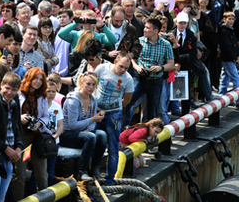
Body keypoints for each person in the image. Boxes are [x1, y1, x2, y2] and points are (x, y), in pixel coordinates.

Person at [122, 18, 175, 128]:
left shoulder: (166, 45)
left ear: (155, 31)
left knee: (152, 111)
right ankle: (124, 127)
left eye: (147, 28)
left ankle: (149, 136)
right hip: (139, 78)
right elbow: (131, 58)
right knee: (127, 104)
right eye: (145, 27)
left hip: (155, 81)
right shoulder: (139, 41)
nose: (144, 30)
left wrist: (160, 68)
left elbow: (171, 64)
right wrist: (137, 67)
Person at [93, 52, 134, 185]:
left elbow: (127, 100)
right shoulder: (101, 68)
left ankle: (110, 178)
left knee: (113, 147)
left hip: (114, 114)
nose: (123, 70)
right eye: (121, 66)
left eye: (126, 68)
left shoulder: (128, 79)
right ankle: (93, 171)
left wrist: (114, 105)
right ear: (115, 62)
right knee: (94, 142)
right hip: (97, 112)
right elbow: (92, 84)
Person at [11, 68, 51, 200]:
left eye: (41, 79)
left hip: (37, 137)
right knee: (20, 173)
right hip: (21, 138)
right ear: (29, 78)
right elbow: (10, 114)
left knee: (41, 174)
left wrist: (39, 123)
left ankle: (44, 199)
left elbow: (46, 116)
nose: (38, 82)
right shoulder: (18, 94)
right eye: (36, 78)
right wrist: (20, 118)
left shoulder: (42, 96)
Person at [61, 72, 107, 182]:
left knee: (102, 135)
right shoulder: (73, 100)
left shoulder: (93, 99)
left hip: (82, 131)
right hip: (67, 134)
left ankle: (95, 167)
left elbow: (93, 122)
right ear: (82, 83)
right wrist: (92, 120)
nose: (91, 87)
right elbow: (72, 125)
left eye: (93, 85)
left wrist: (89, 127)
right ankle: (83, 171)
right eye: (88, 84)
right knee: (90, 137)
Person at [0, 73, 24, 202]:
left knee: (1, 196)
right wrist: (6, 148)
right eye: (7, 88)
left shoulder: (15, 102)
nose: (9, 92)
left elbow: (17, 127)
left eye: (14, 90)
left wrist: (19, 147)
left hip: (10, 154)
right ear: (1, 85)